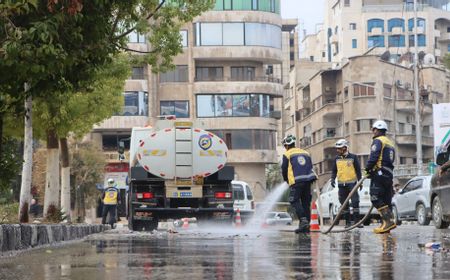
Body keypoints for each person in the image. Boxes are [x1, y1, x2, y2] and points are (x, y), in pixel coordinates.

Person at [281, 134, 317, 234]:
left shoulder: (287, 154)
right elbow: (310, 166)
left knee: (294, 200)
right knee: (305, 202)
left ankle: (303, 220)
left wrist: (286, 180)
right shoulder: (305, 152)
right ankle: (305, 226)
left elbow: (284, 169)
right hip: (308, 180)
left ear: (286, 146)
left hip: (296, 181)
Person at [365, 120, 396, 234]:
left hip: (379, 173)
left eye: (373, 130)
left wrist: (367, 169)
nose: (373, 132)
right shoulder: (390, 143)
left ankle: (388, 222)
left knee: (375, 197)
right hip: (389, 174)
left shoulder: (378, 141)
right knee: (386, 199)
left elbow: (374, 157)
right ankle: (386, 224)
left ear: (377, 130)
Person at [330, 139, 363, 228]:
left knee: (355, 202)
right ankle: (348, 223)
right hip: (341, 185)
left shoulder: (353, 157)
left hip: (352, 184)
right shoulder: (336, 159)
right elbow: (334, 171)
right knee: (344, 204)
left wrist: (360, 182)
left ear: (345, 148)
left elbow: (358, 170)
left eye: (339, 148)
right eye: (337, 148)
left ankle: (357, 222)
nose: (337, 150)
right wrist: (332, 179)